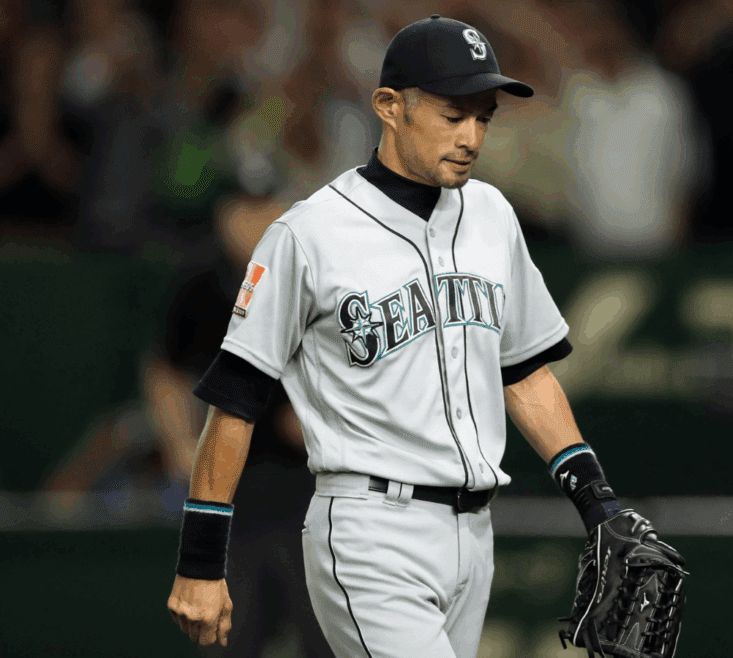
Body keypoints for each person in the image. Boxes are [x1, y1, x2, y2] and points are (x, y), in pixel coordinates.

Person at [165, 15, 673, 657]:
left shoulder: (492, 215)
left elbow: (524, 373)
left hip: (474, 534)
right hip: (368, 529)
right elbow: (235, 398)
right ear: (389, 106)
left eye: (483, 118)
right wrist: (200, 561)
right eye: (452, 114)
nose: (471, 136)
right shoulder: (310, 233)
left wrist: (596, 500)